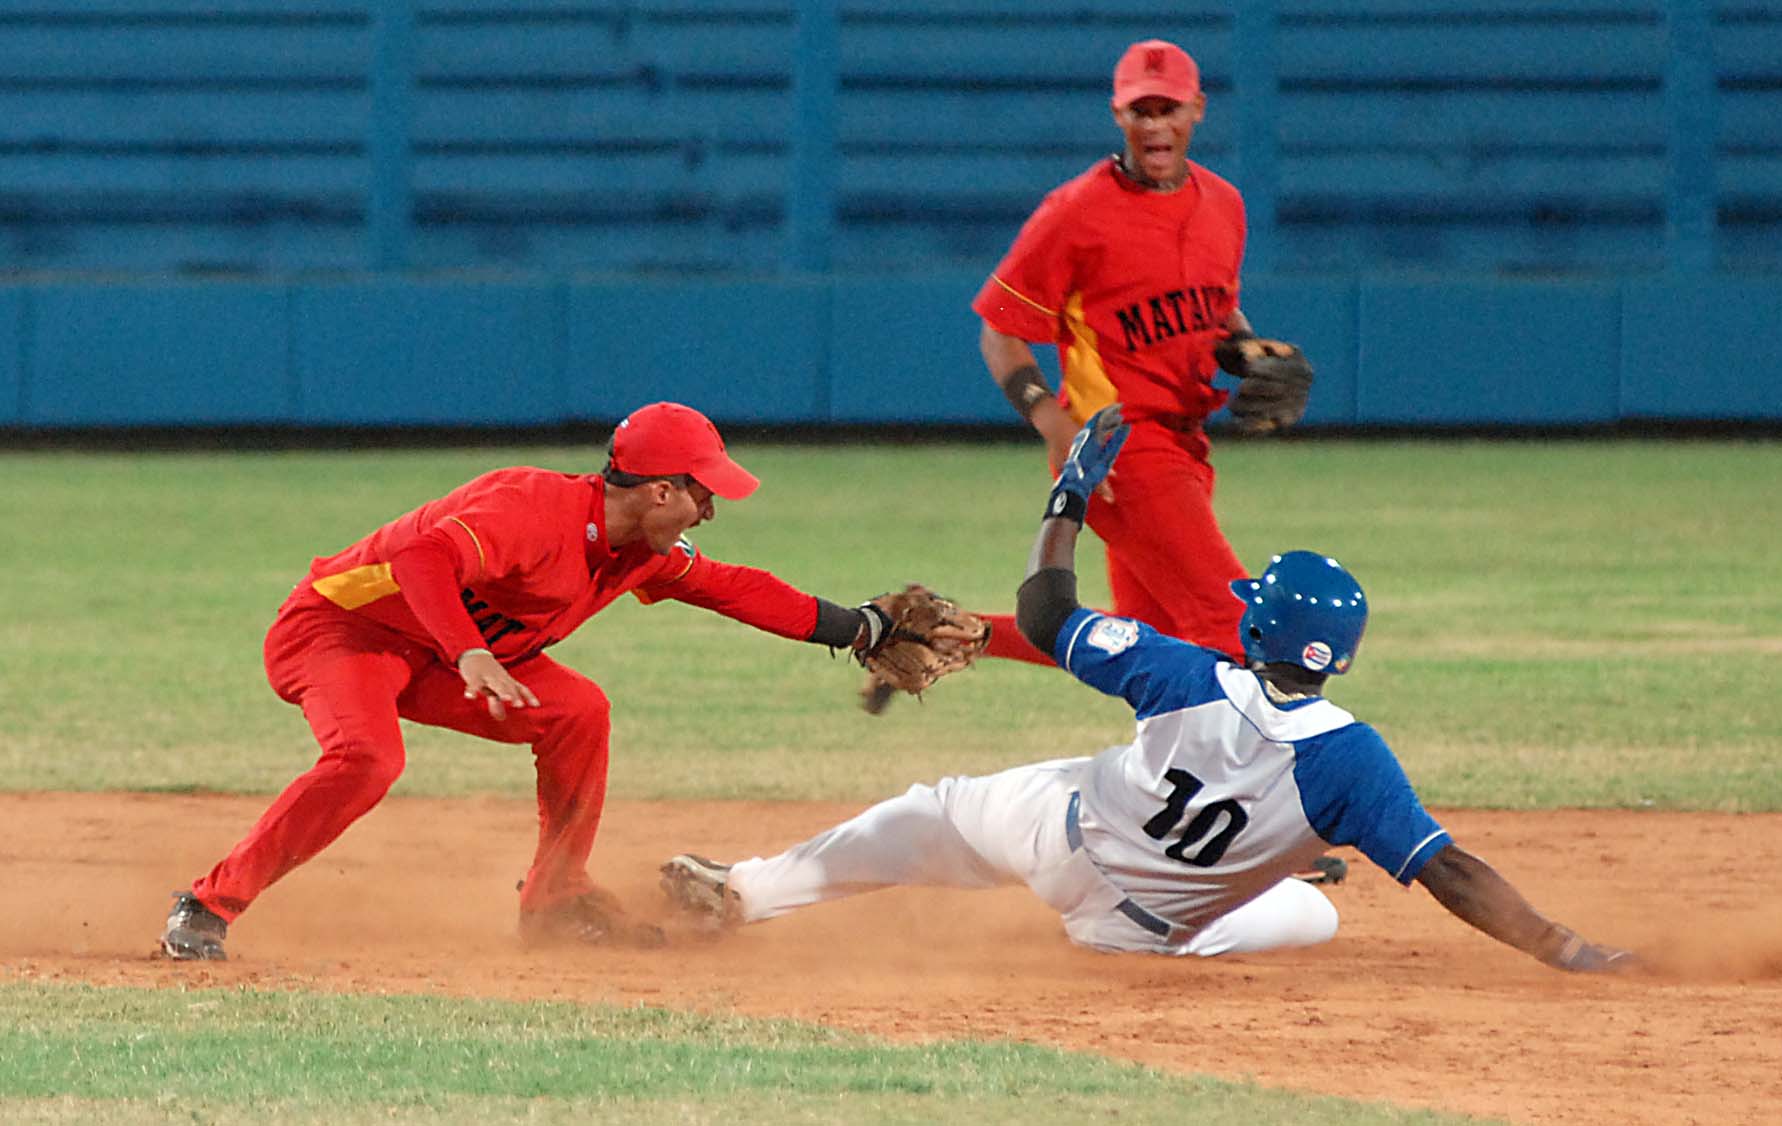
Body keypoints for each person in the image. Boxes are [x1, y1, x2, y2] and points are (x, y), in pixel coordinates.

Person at [664, 411, 1635, 972]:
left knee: (937, 813)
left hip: (1061, 834)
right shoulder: (1354, 761)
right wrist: (1565, 947)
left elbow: (1046, 611)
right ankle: (1278, 871)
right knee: (1317, 915)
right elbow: (1450, 871)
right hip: (1137, 933)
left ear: (1258, 628)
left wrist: (1068, 498)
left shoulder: (1187, 672)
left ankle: (748, 890)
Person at [159, 401, 906, 961]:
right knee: (368, 758)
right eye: (699, 491)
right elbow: (422, 562)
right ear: (655, 492)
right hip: (342, 631)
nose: (710, 507)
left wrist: (858, 628)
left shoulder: (638, 551)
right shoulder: (532, 509)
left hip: (443, 655)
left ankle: (555, 899)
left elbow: (733, 586)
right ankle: (205, 906)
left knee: (579, 712)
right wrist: (469, 654)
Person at [860, 38, 1306, 716]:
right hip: (1121, 448)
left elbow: (1214, 311)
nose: (1155, 125)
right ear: (1117, 115)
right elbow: (999, 328)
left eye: (1169, 109)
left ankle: (930, 632)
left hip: (1187, 445)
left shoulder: (1224, 204)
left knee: (1149, 644)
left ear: (1198, 110)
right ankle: (1293, 800)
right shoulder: (1075, 213)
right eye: (1140, 110)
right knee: (1241, 632)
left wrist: (1247, 351)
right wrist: (1048, 416)